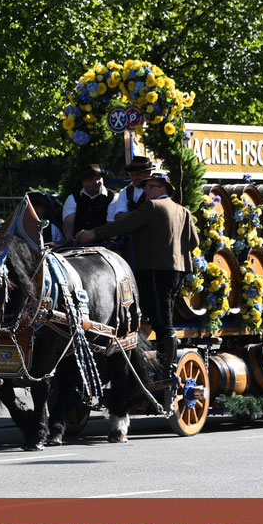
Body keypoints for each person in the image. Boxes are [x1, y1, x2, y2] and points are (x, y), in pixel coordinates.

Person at [74, 169, 200, 381]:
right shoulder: (183, 211)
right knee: (162, 315)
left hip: (153, 268)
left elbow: (124, 225)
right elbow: (194, 242)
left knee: (162, 320)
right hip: (177, 271)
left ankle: (164, 369)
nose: (146, 190)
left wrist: (92, 233)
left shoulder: (152, 206)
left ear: (163, 189)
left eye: (151, 187)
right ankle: (161, 365)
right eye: (146, 186)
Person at [61, 164, 115, 240]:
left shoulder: (113, 197)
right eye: (90, 180)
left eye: (98, 178)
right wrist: (69, 238)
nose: (96, 182)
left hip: (106, 245)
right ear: (83, 182)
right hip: (77, 246)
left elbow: (112, 227)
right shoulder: (72, 198)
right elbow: (68, 222)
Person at [106, 156, 154, 222]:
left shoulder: (158, 190)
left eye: (138, 174)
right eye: (132, 174)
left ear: (148, 173)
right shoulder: (125, 192)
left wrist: (129, 215)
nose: (134, 177)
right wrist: (143, 214)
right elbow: (119, 217)